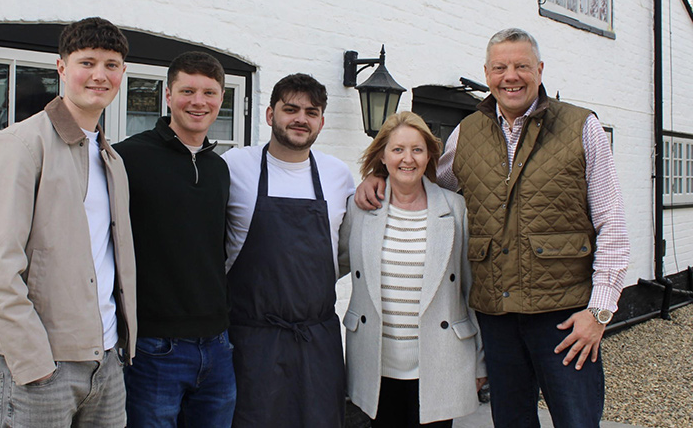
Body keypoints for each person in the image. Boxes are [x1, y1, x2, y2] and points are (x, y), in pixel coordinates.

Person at [355, 28, 630, 427]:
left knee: (577, 421)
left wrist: (599, 312)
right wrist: (379, 175)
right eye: (500, 67)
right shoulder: (468, 133)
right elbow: (430, 187)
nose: (511, 76)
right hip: (497, 316)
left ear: (539, 69)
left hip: (564, 315)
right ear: (487, 73)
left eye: (521, 66)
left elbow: (613, 225)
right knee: (512, 421)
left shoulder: (581, 126)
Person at [0, 17, 136, 426]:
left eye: (111, 65)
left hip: (108, 362)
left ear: (122, 74)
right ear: (61, 68)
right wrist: (35, 362)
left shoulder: (111, 159)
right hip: (48, 367)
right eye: (87, 62)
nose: (100, 75)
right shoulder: (20, 145)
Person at [222, 73, 355, 427]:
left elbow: (342, 253)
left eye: (311, 112)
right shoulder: (235, 166)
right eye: (290, 109)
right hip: (251, 341)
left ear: (322, 122)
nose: (301, 119)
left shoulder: (338, 175)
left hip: (317, 342)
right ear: (269, 115)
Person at [338, 112, 485, 427]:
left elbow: (473, 289)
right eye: (397, 149)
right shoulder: (361, 207)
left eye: (417, 149)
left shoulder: (455, 209)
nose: (408, 158)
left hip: (439, 361)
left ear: (430, 155)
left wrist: (480, 363)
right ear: (382, 155)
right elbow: (334, 266)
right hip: (375, 362)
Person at [113, 51, 235, 428]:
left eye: (209, 93)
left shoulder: (219, 167)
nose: (199, 102)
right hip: (154, 348)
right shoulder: (128, 158)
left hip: (217, 346)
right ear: (168, 95)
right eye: (188, 91)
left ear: (221, 99)